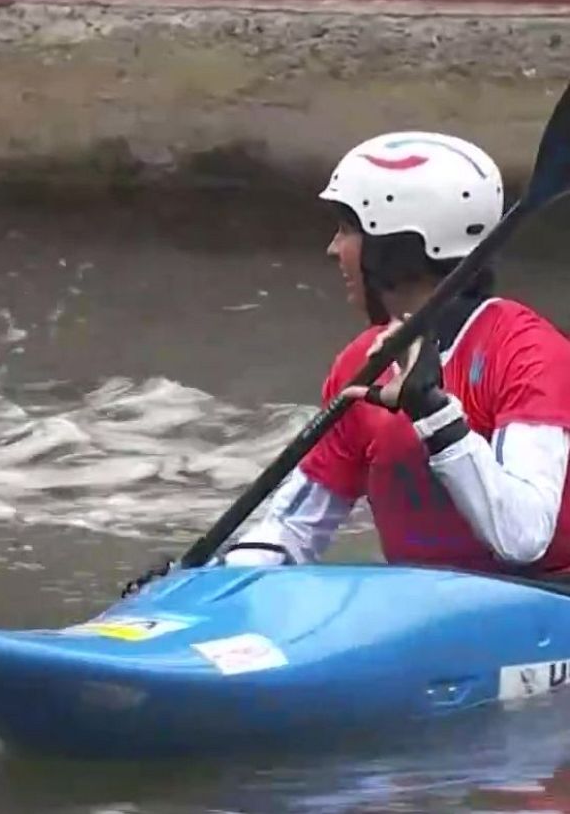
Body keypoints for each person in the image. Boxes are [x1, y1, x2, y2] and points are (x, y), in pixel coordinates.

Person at [128, 130, 570, 593]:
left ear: (396, 243)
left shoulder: (527, 352)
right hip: (422, 610)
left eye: (347, 229)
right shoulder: (361, 364)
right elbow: (292, 532)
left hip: (545, 608)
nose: (334, 248)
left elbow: (523, 539)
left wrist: (436, 414)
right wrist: (204, 589)